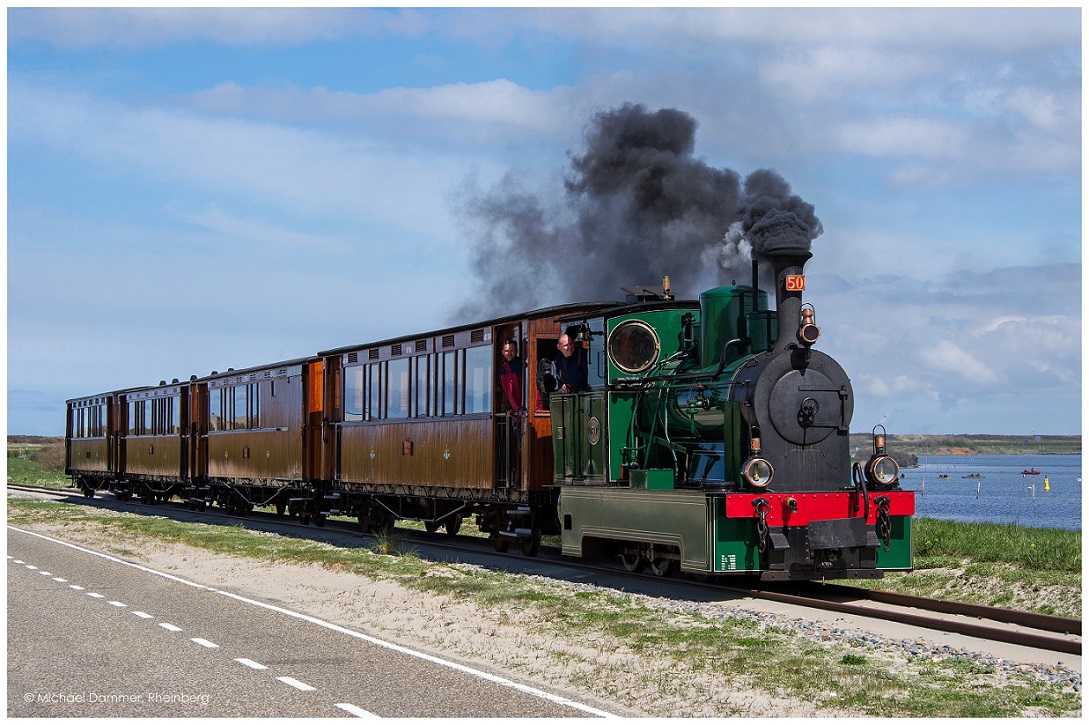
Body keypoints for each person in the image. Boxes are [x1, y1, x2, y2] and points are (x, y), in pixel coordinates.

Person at [498, 340, 523, 415]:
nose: (509, 353)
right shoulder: (502, 369)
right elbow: (506, 391)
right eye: (506, 351)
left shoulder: (521, 365)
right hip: (516, 412)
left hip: (523, 410)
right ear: (502, 352)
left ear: (516, 351)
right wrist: (510, 407)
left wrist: (523, 407)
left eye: (511, 351)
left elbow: (527, 388)